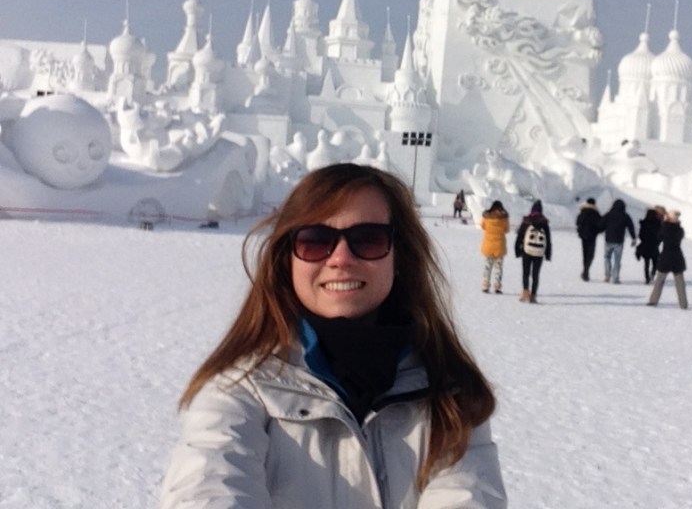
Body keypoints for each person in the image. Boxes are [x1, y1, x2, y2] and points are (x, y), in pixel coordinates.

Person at [160, 163, 506, 507]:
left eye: (368, 239)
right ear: (287, 260)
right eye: (315, 241)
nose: (341, 258)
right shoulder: (240, 389)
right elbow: (209, 488)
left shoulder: (448, 395)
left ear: (399, 256)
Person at [645, 210, 687, 309]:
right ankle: (683, 303)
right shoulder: (680, 230)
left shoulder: (665, 228)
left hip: (666, 257)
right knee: (680, 283)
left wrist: (664, 223)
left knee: (659, 281)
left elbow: (659, 236)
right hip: (678, 257)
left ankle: (653, 301)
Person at [514, 200, 552, 303]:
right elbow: (548, 239)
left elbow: (520, 237)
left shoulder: (527, 221)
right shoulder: (544, 223)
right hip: (539, 253)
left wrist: (517, 250)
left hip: (527, 251)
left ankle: (525, 292)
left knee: (525, 272)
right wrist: (548, 254)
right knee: (535, 274)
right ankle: (533, 295)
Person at [599, 199, 637, 284]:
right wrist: (633, 238)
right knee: (617, 260)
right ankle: (615, 278)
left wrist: (598, 231)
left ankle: (607, 276)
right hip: (619, 242)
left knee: (607, 258)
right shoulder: (625, 216)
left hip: (608, 240)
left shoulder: (609, 214)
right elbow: (631, 227)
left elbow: (601, 224)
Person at [480, 200, 510, 294]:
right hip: (499, 246)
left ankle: (485, 285)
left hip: (488, 246)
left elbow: (482, 226)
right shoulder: (504, 218)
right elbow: (507, 230)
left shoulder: (487, 217)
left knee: (487, 267)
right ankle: (497, 286)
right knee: (498, 268)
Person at [575, 197, 601, 281]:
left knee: (585, 254)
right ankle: (586, 271)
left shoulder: (582, 212)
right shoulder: (595, 213)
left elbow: (577, 222)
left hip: (583, 236)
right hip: (592, 236)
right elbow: (599, 224)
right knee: (591, 255)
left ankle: (585, 271)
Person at [636, 207, 663, 284]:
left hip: (646, 246)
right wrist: (658, 242)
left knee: (646, 263)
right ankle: (653, 274)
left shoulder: (644, 224)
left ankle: (647, 278)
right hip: (654, 246)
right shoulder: (658, 224)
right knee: (655, 262)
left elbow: (641, 235)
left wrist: (644, 240)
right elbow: (661, 236)